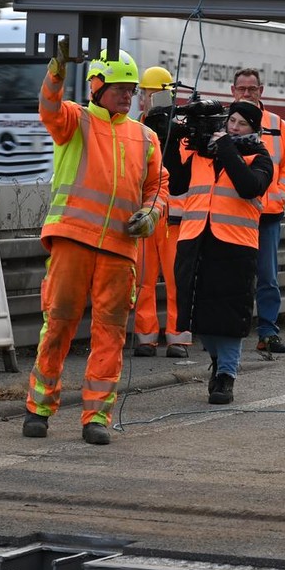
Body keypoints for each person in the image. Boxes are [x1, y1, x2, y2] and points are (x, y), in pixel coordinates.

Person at [25, 42, 167, 446]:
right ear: (96, 86)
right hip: (73, 238)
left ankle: (96, 418)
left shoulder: (146, 137)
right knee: (58, 325)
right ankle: (38, 409)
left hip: (120, 249)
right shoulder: (76, 120)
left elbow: (159, 186)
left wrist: (152, 214)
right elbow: (49, 108)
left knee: (110, 335)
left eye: (132, 88)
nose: (128, 94)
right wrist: (56, 72)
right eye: (121, 87)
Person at [165, 100, 273, 404]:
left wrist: (226, 146)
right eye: (231, 121)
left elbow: (249, 186)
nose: (233, 127)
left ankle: (226, 375)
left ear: (254, 129)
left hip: (235, 246)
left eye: (241, 124)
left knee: (228, 316)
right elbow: (176, 184)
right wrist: (172, 140)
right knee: (199, 315)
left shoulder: (259, 156)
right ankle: (217, 360)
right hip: (196, 239)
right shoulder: (203, 155)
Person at [228, 69, 285, 355]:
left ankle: (267, 331)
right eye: (242, 89)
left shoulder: (276, 124)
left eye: (252, 89)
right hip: (233, 214)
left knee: (267, 276)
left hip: (267, 216)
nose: (247, 93)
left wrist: (277, 200)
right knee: (232, 275)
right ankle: (230, 330)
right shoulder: (227, 123)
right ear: (233, 90)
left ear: (262, 90)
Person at [130, 65, 190, 359]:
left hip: (175, 219)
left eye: (149, 93)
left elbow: (183, 175)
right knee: (143, 280)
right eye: (143, 93)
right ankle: (146, 337)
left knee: (176, 279)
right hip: (146, 217)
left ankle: (178, 338)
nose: (144, 98)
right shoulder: (136, 128)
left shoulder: (181, 128)